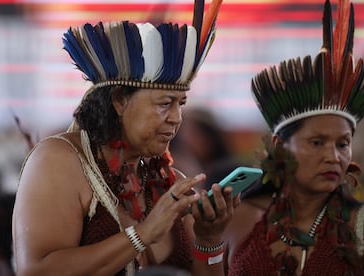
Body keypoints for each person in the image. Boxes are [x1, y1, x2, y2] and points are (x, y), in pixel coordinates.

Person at [12, 1, 237, 275]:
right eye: (165, 103)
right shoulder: (59, 161)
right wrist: (142, 234)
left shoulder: (171, 184)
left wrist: (209, 239)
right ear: (119, 100)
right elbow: (36, 271)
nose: (177, 118)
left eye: (181, 104)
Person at [224, 0, 364, 275]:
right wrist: (207, 240)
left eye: (343, 144)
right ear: (279, 145)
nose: (333, 157)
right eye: (316, 142)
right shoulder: (241, 217)